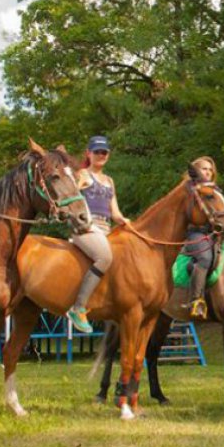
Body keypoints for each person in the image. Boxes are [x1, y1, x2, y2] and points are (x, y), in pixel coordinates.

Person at [66, 136, 130, 333]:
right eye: (97, 152)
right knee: (104, 257)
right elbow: (69, 199)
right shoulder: (82, 174)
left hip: (106, 229)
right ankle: (78, 308)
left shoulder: (109, 180)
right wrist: (77, 185)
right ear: (89, 153)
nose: (101, 155)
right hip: (85, 227)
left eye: (104, 152)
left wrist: (128, 223)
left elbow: (115, 213)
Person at [179, 156, 224, 319]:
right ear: (195, 170)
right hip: (196, 233)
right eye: (204, 169)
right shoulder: (189, 190)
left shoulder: (215, 191)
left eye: (210, 169)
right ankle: (196, 301)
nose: (208, 172)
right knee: (205, 258)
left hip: (214, 235)